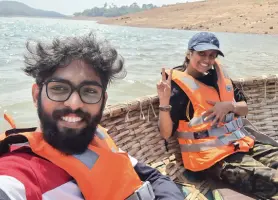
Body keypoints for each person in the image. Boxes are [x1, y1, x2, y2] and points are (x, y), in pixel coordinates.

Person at [0, 33, 185, 200]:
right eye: (58, 89)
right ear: (35, 96)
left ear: (103, 101)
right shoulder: (19, 175)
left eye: (89, 91)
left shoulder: (99, 137)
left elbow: (152, 176)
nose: (74, 103)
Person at [157, 31, 278, 199]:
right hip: (214, 159)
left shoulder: (219, 78)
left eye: (212, 55)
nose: (207, 60)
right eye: (202, 54)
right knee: (274, 181)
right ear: (189, 53)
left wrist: (230, 106)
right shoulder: (177, 89)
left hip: (242, 144)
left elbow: (244, 108)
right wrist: (164, 102)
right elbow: (166, 133)